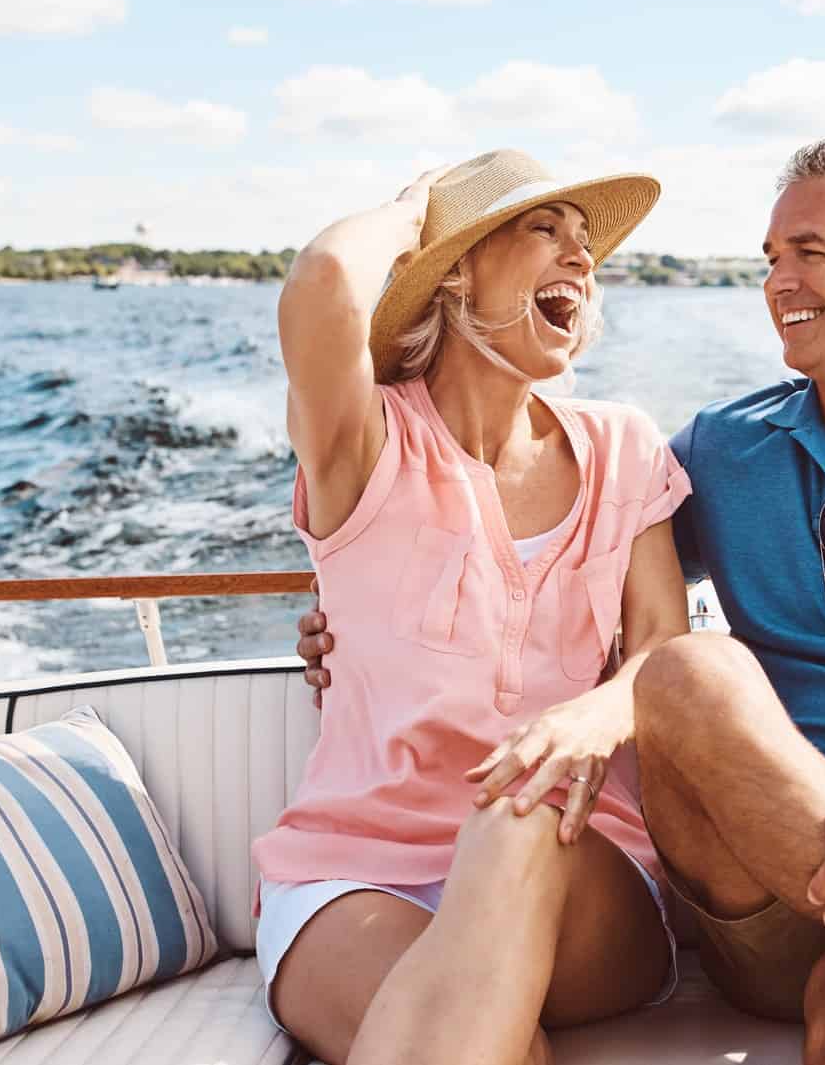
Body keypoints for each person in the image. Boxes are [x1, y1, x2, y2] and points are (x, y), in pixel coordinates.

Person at [298, 140, 825, 1064]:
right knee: (694, 667)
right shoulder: (720, 450)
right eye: (769, 259)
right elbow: (549, 578)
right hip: (763, 876)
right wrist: (354, 623)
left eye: (807, 252)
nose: (779, 280)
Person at [256, 148, 693, 1065]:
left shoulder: (625, 447)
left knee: (521, 816)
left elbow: (662, 647)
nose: (580, 259)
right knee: (493, 1048)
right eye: (544, 229)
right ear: (456, 270)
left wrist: (597, 711)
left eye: (586, 245)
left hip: (579, 860)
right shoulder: (366, 446)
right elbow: (327, 281)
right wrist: (416, 208)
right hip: (356, 871)